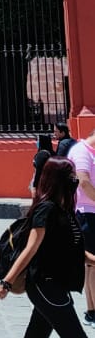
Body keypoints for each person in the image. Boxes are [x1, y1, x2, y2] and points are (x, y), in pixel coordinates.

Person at [0, 157, 95, 338]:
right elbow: (31, 249)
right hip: (45, 285)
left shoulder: (63, 209)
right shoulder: (46, 210)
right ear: (58, 180)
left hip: (55, 285)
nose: (75, 179)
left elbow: (73, 249)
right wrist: (6, 283)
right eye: (70, 175)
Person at [68, 126, 95, 325]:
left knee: (91, 266)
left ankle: (92, 310)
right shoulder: (81, 151)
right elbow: (84, 182)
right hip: (87, 214)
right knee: (92, 265)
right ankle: (92, 310)